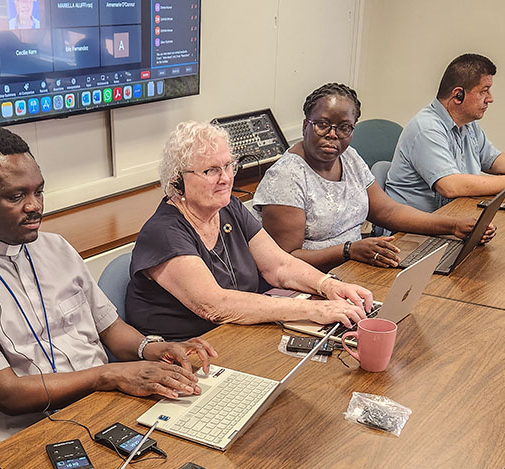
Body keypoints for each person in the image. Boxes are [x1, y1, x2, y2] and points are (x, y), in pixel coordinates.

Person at [0, 126, 216, 449]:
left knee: (204, 443)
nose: (35, 206)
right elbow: (7, 394)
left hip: (108, 411)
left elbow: (111, 330)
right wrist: (108, 376)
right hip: (26, 441)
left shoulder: (56, 248)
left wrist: (154, 348)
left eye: (38, 192)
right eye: (16, 196)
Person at [124, 121, 375, 342]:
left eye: (228, 166)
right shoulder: (164, 233)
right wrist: (313, 311)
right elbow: (215, 305)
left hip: (237, 335)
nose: (225, 178)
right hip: (188, 352)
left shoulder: (229, 207)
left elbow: (279, 266)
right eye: (211, 170)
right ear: (177, 180)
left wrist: (327, 285)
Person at [254, 83, 493, 272]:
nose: (333, 135)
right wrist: (348, 251)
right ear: (306, 124)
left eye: (344, 128)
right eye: (322, 125)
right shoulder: (286, 177)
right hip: (309, 283)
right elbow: (285, 261)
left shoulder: (349, 158)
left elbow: (387, 212)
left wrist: (453, 227)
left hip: (352, 269)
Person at [386, 53, 505, 213]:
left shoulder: (467, 124)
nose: (490, 98)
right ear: (458, 95)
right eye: (484, 91)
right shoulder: (426, 129)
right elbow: (451, 186)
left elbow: (493, 161)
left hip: (451, 217)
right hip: (408, 234)